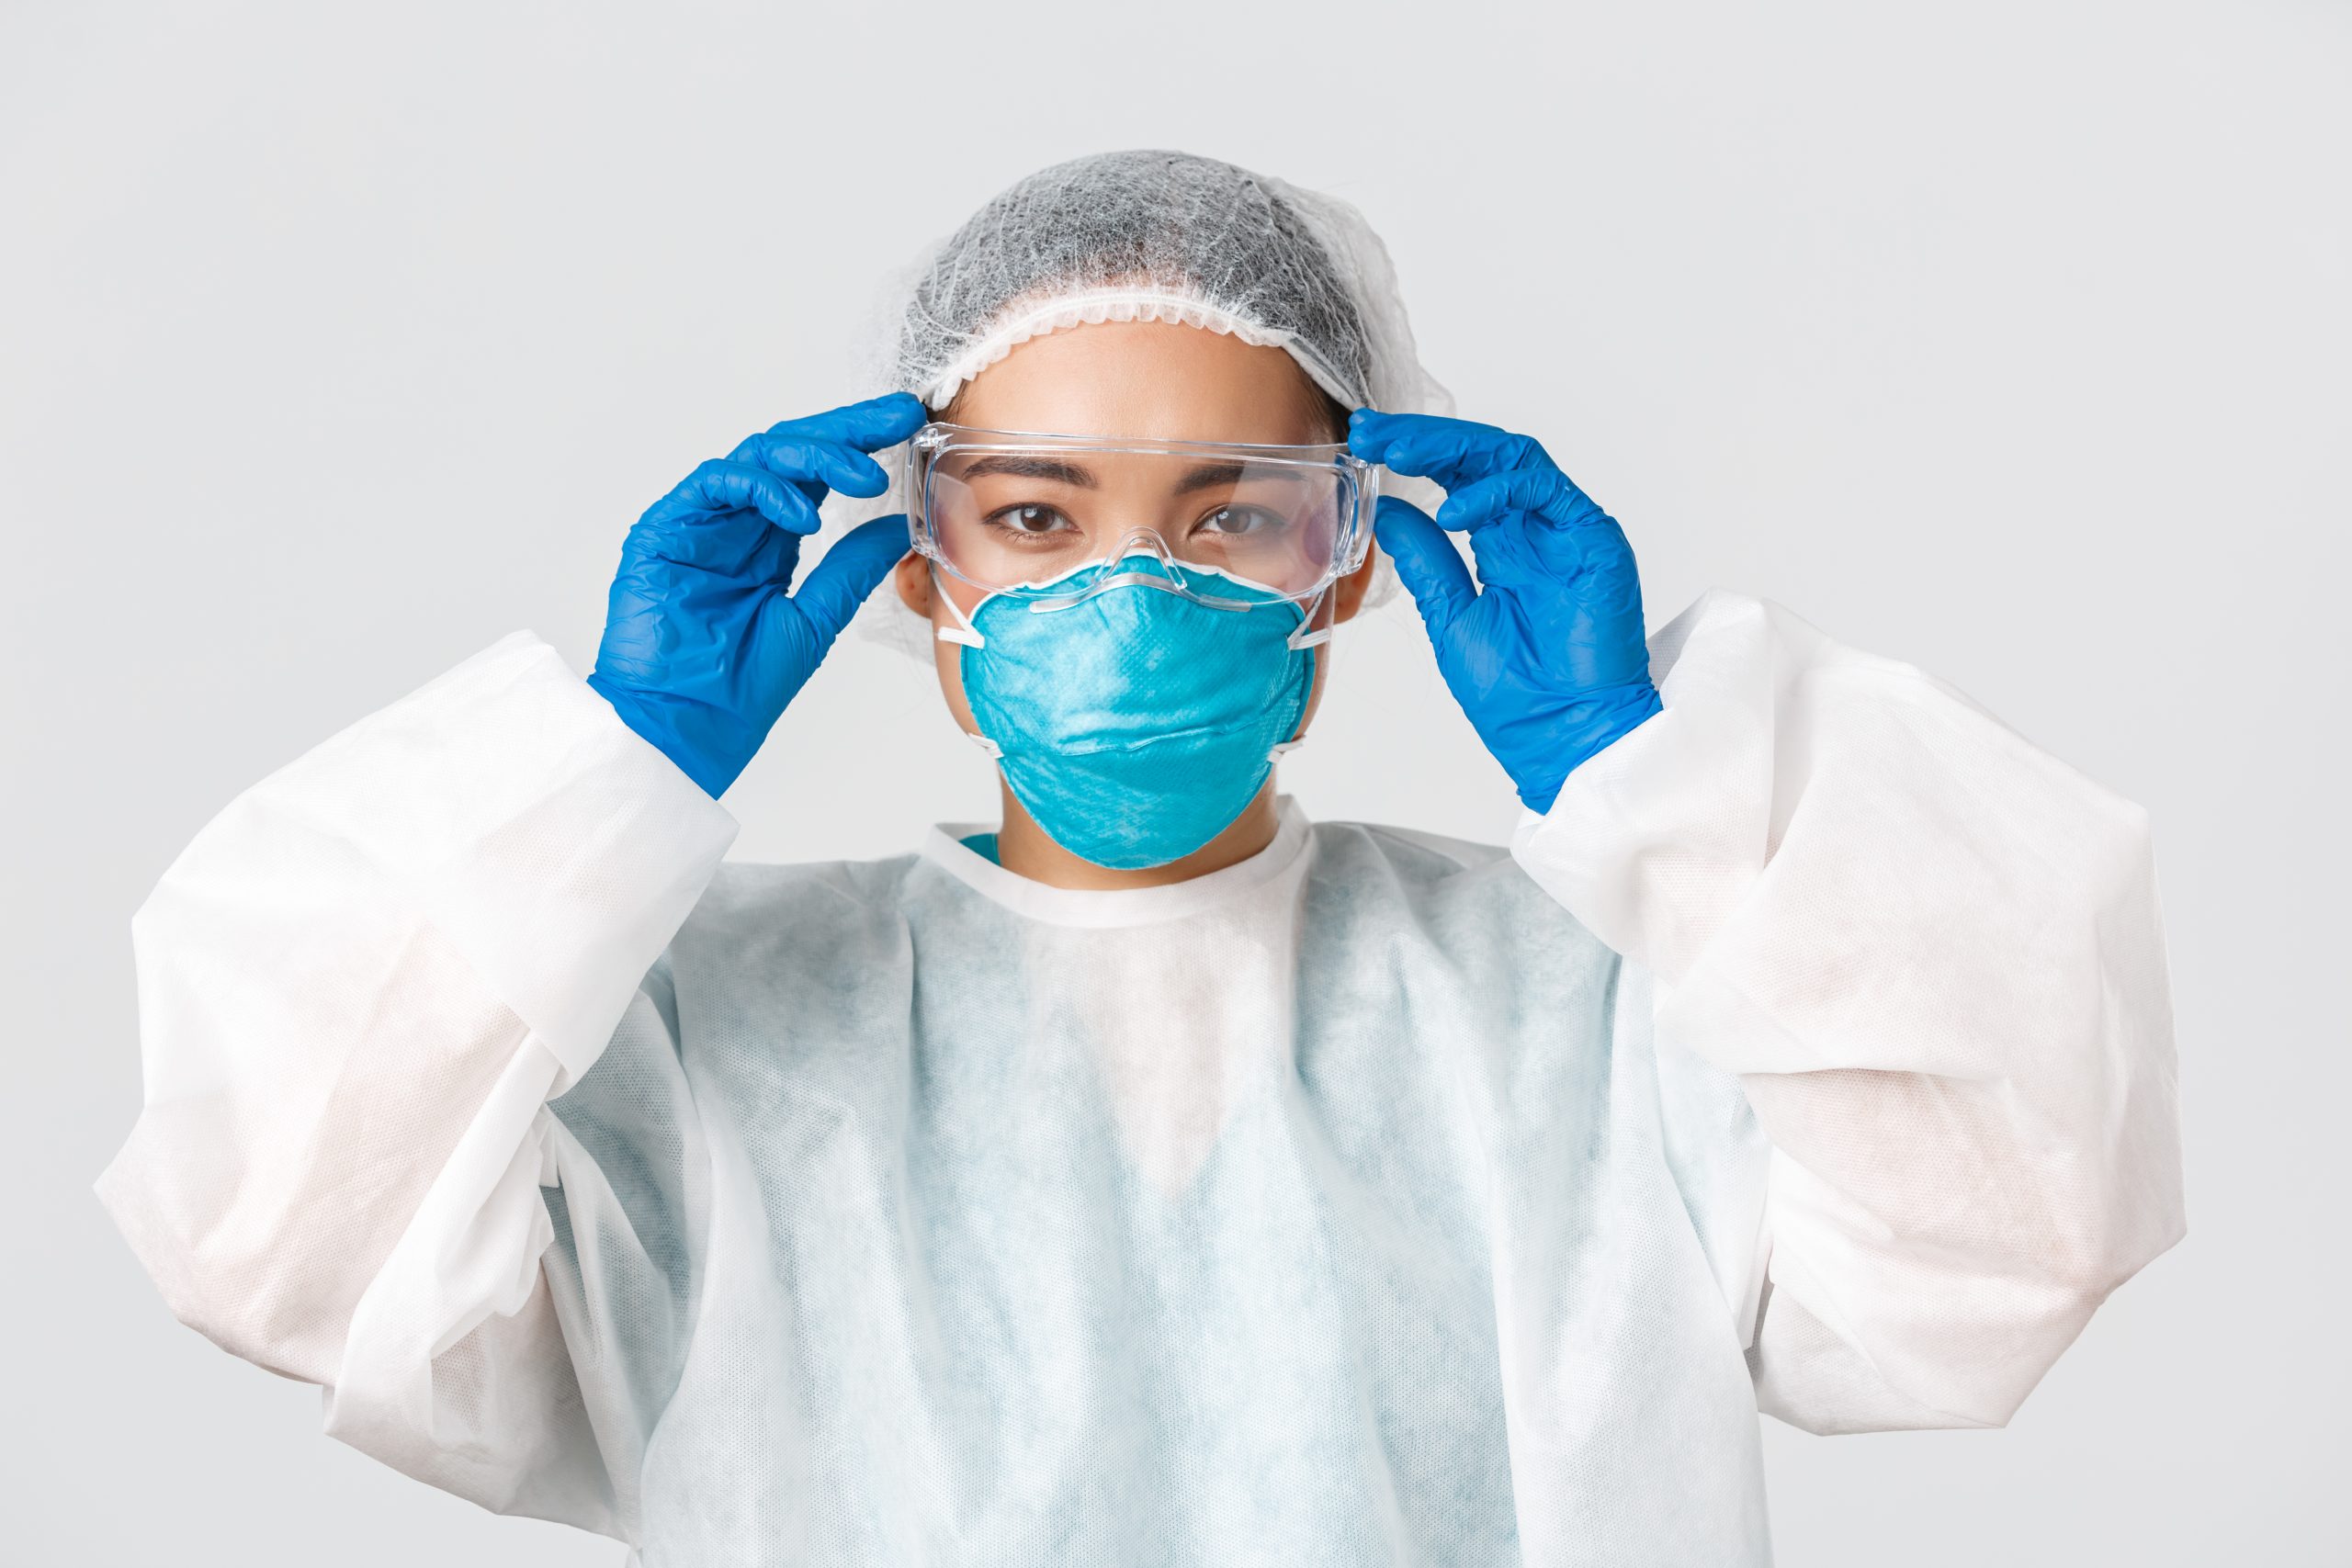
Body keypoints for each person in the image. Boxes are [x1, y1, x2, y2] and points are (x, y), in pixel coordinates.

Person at [98, 150, 2183, 1566]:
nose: (1125, 587)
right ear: (916, 562)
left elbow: (2003, 1232)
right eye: (1029, 515)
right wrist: (599, 767)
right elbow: (273, 1235)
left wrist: (1657, 779)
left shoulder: (1602, 1007)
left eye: (1223, 511)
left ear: (1345, 559)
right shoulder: (696, 1049)